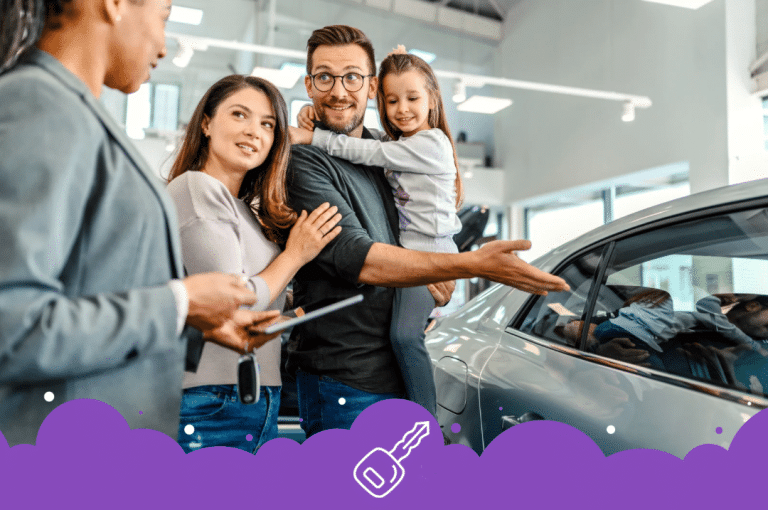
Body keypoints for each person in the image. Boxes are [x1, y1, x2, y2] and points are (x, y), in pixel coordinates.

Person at [0, 0, 280, 447]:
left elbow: (85, 288)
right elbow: (12, 323)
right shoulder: (39, 104)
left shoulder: (76, 114)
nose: (164, 47)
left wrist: (193, 321)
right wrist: (179, 302)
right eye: (164, 16)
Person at [285, 24, 569, 438]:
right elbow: (359, 257)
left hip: (391, 375)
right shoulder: (306, 161)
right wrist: (460, 265)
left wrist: (436, 269)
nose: (339, 91)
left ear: (370, 88)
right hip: (344, 379)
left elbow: (381, 147)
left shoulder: (387, 152)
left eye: (352, 77)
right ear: (309, 85)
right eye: (325, 77)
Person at [166, 74, 341, 452]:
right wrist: (296, 254)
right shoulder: (197, 188)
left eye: (267, 124)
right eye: (239, 115)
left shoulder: (243, 208)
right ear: (207, 123)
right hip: (210, 401)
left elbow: (259, 303)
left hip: (255, 398)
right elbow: (235, 300)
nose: (254, 131)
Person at [290, 45, 463, 417]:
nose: (401, 109)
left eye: (412, 98)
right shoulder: (317, 161)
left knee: (405, 336)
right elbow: (356, 253)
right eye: (392, 100)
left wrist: (310, 134)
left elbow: (370, 152)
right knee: (406, 336)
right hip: (345, 373)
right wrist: (309, 122)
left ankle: (427, 420)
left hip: (427, 257)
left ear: (432, 99)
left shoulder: (422, 146)